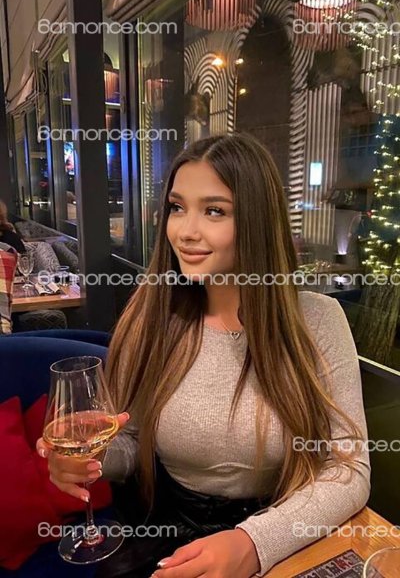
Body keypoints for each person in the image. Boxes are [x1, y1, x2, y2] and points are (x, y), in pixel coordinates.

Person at [36, 133, 370, 578]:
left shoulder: (318, 321)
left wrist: (253, 543)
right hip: (171, 536)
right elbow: (131, 442)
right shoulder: (151, 317)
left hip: (287, 533)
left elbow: (349, 468)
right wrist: (89, 462)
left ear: (257, 220)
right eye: (177, 207)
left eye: (214, 211)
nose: (186, 231)